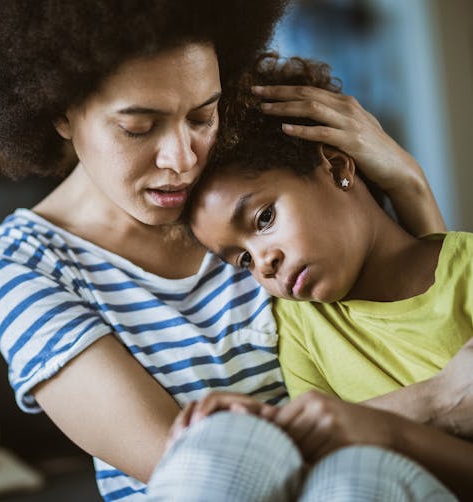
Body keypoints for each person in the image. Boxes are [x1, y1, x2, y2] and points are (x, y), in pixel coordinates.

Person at [0, 1, 462, 500]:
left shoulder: (245, 198)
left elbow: (423, 336)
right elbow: (186, 463)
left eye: (201, 116)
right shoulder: (21, 265)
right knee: (222, 442)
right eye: (138, 127)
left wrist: (408, 183)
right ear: (60, 112)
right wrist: (427, 405)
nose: (182, 159)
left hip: (362, 482)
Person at [184, 53, 473, 498]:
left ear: (338, 167)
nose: (262, 263)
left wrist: (378, 429)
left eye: (264, 219)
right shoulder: (299, 328)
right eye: (241, 261)